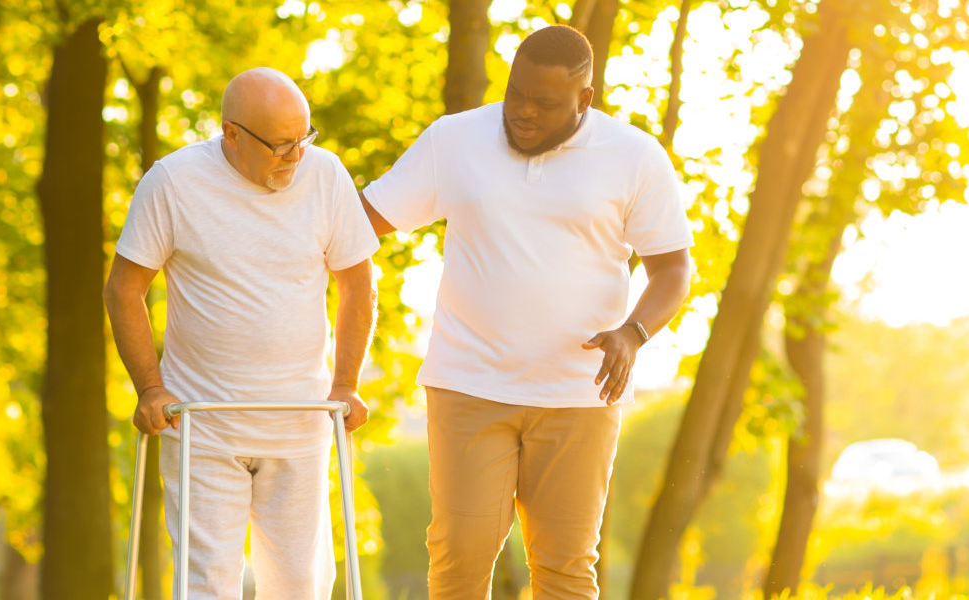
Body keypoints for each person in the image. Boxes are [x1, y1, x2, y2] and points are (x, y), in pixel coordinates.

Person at [360, 26, 696, 599]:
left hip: (577, 395)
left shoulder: (635, 157)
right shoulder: (455, 140)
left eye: (545, 103)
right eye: (516, 94)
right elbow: (359, 223)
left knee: (565, 567)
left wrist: (633, 334)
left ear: (585, 99)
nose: (522, 113)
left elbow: (673, 269)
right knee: (459, 555)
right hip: (469, 385)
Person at [104, 67, 379, 600]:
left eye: (304, 139)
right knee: (206, 586)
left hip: (299, 421)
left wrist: (345, 384)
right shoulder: (173, 181)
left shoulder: (326, 176)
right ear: (231, 133)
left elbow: (358, 286)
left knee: (302, 587)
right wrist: (150, 387)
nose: (296, 157)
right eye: (280, 145)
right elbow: (123, 289)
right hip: (204, 425)